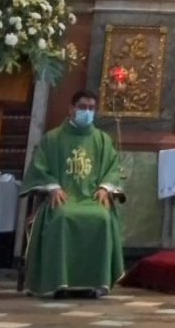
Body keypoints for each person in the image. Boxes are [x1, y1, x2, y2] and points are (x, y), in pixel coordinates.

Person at [20, 89, 124, 297]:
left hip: (91, 199)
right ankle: (59, 283)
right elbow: (39, 168)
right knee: (62, 217)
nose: (87, 112)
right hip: (63, 198)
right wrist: (52, 187)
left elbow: (113, 168)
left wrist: (105, 187)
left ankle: (93, 284)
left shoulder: (102, 140)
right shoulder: (53, 139)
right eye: (82, 107)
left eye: (91, 108)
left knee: (103, 217)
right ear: (71, 109)